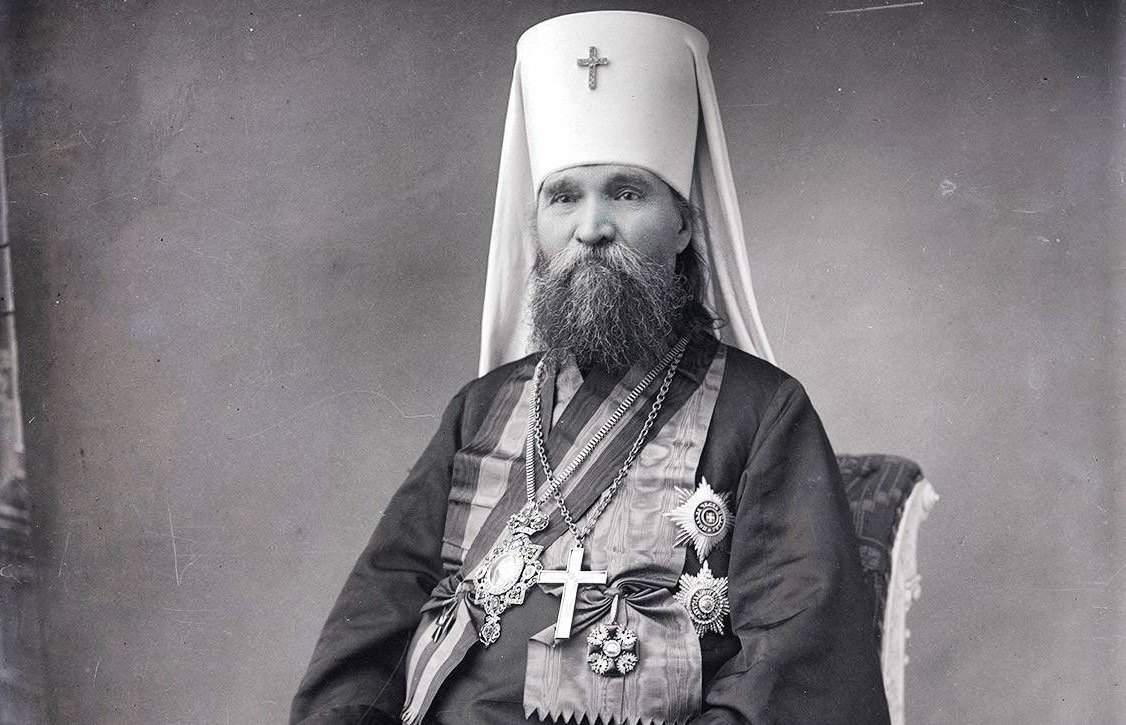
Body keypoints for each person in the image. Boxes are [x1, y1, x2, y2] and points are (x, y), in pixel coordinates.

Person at [290, 11, 890, 725]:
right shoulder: (481, 408)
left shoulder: (763, 412)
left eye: (626, 193)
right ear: (538, 226)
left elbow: (789, 673)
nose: (592, 227)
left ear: (683, 224)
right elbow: (370, 629)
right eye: (565, 197)